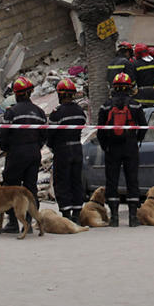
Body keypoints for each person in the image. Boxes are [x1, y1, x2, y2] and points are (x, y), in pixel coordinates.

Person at [97, 73, 147, 227]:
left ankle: (114, 218)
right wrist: (136, 139)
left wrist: (105, 146)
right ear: (129, 87)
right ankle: (133, 217)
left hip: (112, 148)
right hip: (130, 146)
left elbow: (100, 130)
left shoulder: (106, 105)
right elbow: (143, 127)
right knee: (132, 180)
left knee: (112, 181)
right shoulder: (136, 105)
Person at [0, 76, 47, 233]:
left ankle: (13, 223)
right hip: (34, 153)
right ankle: (29, 222)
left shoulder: (11, 112)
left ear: (16, 94)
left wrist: (6, 148)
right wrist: (36, 147)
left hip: (16, 153)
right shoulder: (39, 112)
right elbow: (44, 135)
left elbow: (4, 135)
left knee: (10, 188)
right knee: (30, 188)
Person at [47, 78, 86, 222]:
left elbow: (49, 135)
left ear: (61, 95)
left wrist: (52, 147)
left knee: (62, 181)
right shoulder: (79, 110)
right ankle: (77, 213)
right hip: (77, 148)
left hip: (62, 150)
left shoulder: (57, 112)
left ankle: (66, 214)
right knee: (76, 181)